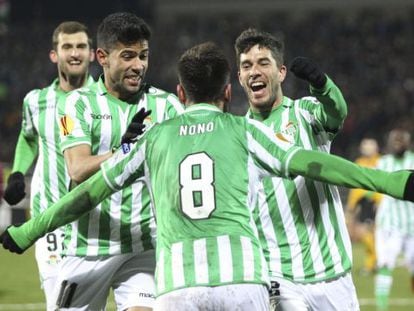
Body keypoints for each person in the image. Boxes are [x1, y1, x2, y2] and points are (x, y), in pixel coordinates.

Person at [1, 42, 414, 311]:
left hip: (179, 285)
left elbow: (86, 193)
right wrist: (395, 183)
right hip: (244, 281)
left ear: (181, 96)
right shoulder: (246, 131)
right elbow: (314, 163)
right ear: (228, 93)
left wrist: (28, 231)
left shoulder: (152, 139)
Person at [53, 12, 183, 311]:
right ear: (102, 56)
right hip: (87, 249)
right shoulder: (76, 103)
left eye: (143, 55)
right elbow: (77, 169)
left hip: (143, 248)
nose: (138, 65)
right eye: (127, 56)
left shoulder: (166, 106)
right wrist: (124, 151)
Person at [234, 28, 357, 310]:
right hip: (278, 275)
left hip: (333, 272)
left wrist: (322, 84)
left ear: (281, 72)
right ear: (239, 77)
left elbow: (336, 112)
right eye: (246, 66)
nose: (254, 71)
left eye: (263, 63)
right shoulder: (237, 134)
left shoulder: (306, 112)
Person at [2, 21, 95, 311]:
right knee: (60, 303)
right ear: (54, 55)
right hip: (50, 220)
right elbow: (28, 137)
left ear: (93, 54)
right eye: (67, 47)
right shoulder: (37, 101)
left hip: (97, 220)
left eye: (81, 46)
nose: (75, 53)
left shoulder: (106, 100)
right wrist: (17, 172)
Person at [374, 129, 414, 311]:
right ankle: (382, 307)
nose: (398, 143)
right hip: (390, 224)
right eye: (395, 141)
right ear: (390, 143)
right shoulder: (383, 162)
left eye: (401, 140)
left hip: (413, 224)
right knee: (385, 265)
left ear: (408, 143)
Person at [346, 138, 381, 275]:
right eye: (364, 146)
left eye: (368, 147)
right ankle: (372, 262)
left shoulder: (381, 162)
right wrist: (351, 206)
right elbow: (354, 188)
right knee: (366, 234)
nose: (365, 149)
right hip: (364, 203)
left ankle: (375, 262)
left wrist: (380, 201)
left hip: (377, 202)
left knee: (374, 234)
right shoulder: (359, 163)